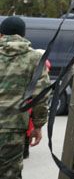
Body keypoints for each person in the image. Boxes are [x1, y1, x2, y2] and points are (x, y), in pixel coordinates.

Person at [0, 16, 51, 179]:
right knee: (10, 174)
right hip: (14, 127)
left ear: (1, 34)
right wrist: (38, 125)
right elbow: (40, 96)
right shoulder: (35, 58)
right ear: (23, 35)